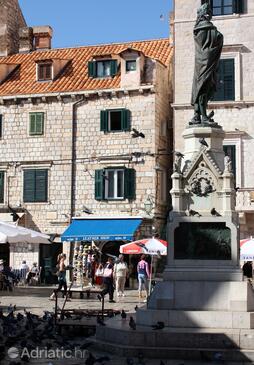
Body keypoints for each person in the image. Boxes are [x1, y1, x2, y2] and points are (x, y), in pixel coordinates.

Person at [190, 2, 223, 125]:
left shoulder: (199, 29)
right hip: (206, 62)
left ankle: (197, 115)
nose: (210, 13)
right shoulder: (205, 29)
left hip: (202, 63)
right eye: (208, 11)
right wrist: (219, 37)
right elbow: (209, 46)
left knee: (203, 88)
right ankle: (202, 116)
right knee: (203, 88)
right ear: (204, 13)